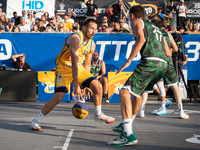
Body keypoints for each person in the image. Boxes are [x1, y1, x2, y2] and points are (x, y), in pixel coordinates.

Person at [30, 19, 115, 131]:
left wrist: (85, 84)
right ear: (84, 28)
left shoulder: (92, 44)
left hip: (79, 69)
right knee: (58, 98)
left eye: (95, 29)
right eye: (91, 28)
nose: (93, 32)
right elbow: (74, 63)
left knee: (98, 86)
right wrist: (76, 85)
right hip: (64, 69)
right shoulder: (75, 39)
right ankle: (36, 121)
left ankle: (98, 114)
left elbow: (87, 65)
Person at [107, 5, 171, 146]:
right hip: (164, 65)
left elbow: (141, 40)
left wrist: (128, 61)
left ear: (132, 16)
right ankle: (127, 125)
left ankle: (128, 135)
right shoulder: (155, 27)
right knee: (136, 94)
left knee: (124, 92)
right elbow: (168, 52)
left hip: (150, 62)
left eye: (129, 17)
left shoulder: (137, 22)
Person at [137, 18, 189, 119]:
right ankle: (181, 112)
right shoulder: (168, 35)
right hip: (166, 62)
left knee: (146, 88)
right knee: (174, 87)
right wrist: (169, 50)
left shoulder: (149, 34)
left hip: (154, 61)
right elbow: (176, 49)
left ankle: (141, 111)